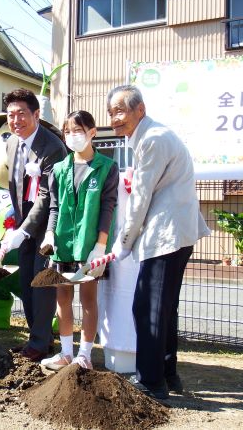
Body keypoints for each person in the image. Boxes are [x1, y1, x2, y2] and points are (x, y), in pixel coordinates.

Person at [107, 85, 210, 399]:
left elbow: (140, 198)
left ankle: (152, 383)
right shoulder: (151, 136)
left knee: (148, 308)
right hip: (175, 233)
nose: (114, 119)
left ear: (140, 110)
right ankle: (166, 374)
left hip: (166, 235)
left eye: (120, 111)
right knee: (163, 308)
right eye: (111, 113)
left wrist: (124, 241)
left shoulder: (151, 139)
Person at [40, 110, 118, 371]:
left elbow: (108, 207)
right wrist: (50, 233)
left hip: (88, 245)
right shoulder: (60, 169)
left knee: (88, 298)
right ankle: (64, 353)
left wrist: (100, 245)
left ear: (92, 132)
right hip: (62, 243)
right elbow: (54, 206)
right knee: (62, 298)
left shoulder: (106, 167)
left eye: (78, 130)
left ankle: (84, 355)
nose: (72, 136)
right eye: (68, 131)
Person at [0, 88, 67, 362]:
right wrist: (16, 223)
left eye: (22, 114)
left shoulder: (52, 147)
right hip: (23, 223)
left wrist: (26, 229)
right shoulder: (12, 143)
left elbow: (48, 195)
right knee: (26, 281)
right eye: (11, 115)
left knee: (41, 283)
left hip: (48, 223)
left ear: (36, 114)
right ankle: (36, 339)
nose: (16, 121)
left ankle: (40, 344)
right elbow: (14, 186)